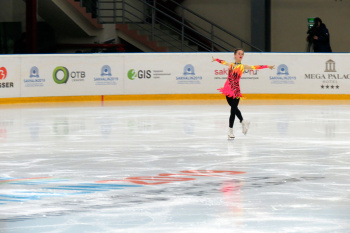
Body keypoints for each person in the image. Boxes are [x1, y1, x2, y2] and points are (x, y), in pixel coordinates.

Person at [212, 48, 275, 139]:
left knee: (233, 110)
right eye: (239, 53)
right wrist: (216, 60)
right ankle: (243, 121)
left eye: (242, 54)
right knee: (234, 108)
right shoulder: (231, 64)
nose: (241, 55)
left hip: (236, 90)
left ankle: (230, 131)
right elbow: (223, 62)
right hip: (227, 89)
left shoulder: (243, 66)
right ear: (235, 55)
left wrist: (267, 66)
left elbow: (255, 67)